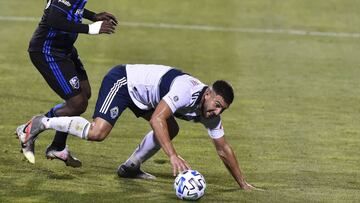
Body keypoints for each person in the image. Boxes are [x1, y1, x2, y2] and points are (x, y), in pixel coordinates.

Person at [17, 64, 255, 190]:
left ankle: (131, 167)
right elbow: (157, 119)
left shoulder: (210, 113)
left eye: (222, 109)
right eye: (216, 105)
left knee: (171, 129)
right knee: (99, 132)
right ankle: (42, 122)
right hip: (124, 82)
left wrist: (242, 183)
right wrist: (171, 155)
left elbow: (223, 148)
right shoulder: (186, 90)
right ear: (208, 93)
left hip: (147, 99)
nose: (217, 112)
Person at [17, 0, 118, 167]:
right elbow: (53, 19)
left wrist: (92, 15)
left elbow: (71, 9)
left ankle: (57, 147)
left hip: (66, 49)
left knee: (84, 93)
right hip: (47, 51)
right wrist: (90, 28)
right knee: (77, 103)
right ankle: (30, 128)